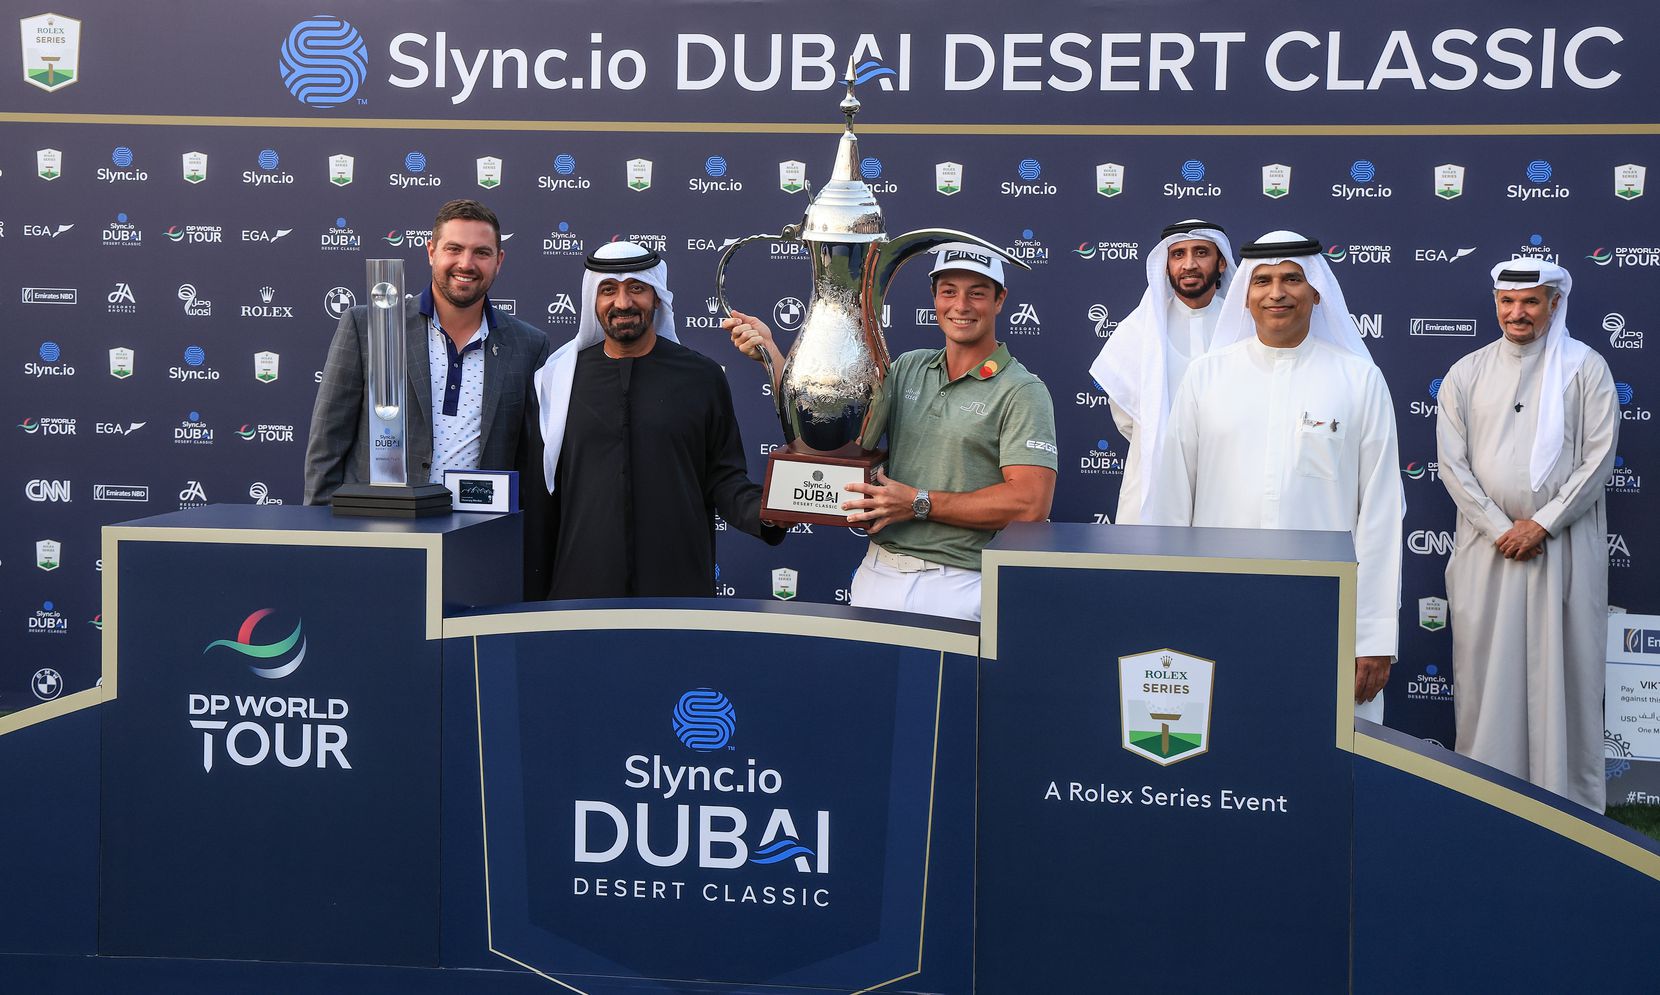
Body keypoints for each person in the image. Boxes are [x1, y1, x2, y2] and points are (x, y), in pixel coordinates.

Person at [1145, 231, 1402, 722]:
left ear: (1317, 292)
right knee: (1226, 740)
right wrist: (1169, 608)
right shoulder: (1207, 376)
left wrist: (1372, 636)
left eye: (1292, 279)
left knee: (1324, 746)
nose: (1276, 293)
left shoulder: (1359, 379)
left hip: (1325, 611)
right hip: (1216, 605)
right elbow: (1172, 504)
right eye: (1262, 281)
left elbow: (1381, 513)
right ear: (1245, 294)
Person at [727, 243, 1057, 621]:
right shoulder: (907, 368)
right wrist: (771, 355)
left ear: (1000, 300)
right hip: (878, 574)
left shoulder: (1021, 390)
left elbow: (1030, 504)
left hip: (962, 583)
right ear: (934, 297)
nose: (961, 305)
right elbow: (831, 429)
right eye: (949, 291)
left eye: (977, 293)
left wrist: (918, 502)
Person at [1437, 260, 1617, 811]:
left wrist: (1542, 523)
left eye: (1531, 302)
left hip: (1563, 546)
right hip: (1487, 549)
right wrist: (1502, 528)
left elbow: (1599, 458)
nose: (1517, 313)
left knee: (1567, 673)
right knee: (1487, 676)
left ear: (1553, 304)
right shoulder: (1466, 372)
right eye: (1507, 301)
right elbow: (1452, 466)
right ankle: (1486, 801)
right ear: (1496, 303)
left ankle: (1570, 807)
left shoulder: (1585, 368)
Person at [522, 241, 783, 600]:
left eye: (637, 288)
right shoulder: (556, 380)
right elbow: (542, 502)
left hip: (678, 588)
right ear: (592, 300)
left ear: (657, 297)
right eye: (608, 290)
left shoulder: (701, 377)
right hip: (581, 589)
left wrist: (768, 512)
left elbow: (724, 479)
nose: (622, 303)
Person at [304, 199, 550, 504]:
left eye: (481, 252)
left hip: (480, 528)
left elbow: (529, 462)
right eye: (454, 249)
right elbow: (328, 443)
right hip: (380, 521)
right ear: (431, 252)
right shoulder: (368, 326)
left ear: (498, 261)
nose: (466, 264)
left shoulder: (528, 345)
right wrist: (321, 525)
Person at [1087, 219, 1235, 524]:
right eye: (1178, 254)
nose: (1189, 264)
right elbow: (1126, 418)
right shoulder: (1139, 329)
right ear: (1165, 266)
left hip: (1229, 473)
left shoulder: (1242, 326)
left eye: (1201, 252)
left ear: (1221, 263)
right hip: (1156, 475)